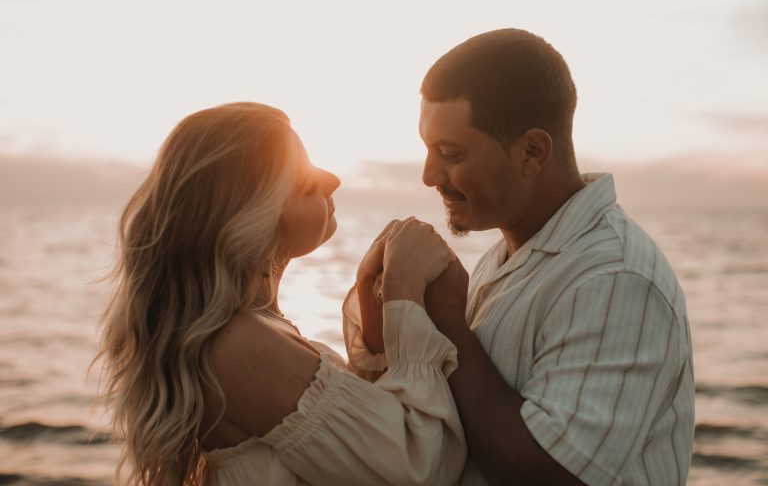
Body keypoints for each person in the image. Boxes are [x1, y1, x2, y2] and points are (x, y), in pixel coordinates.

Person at [348, 29, 695, 485]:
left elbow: (552, 473)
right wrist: (382, 310)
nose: (430, 175)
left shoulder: (615, 278)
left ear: (532, 152)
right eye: (428, 150)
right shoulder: (509, 257)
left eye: (449, 153)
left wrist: (450, 325)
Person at [94, 102, 467, 485]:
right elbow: (424, 467)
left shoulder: (254, 329)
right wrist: (405, 294)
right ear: (252, 218)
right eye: (305, 182)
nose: (332, 179)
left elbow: (365, 452)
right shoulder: (239, 344)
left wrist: (377, 309)